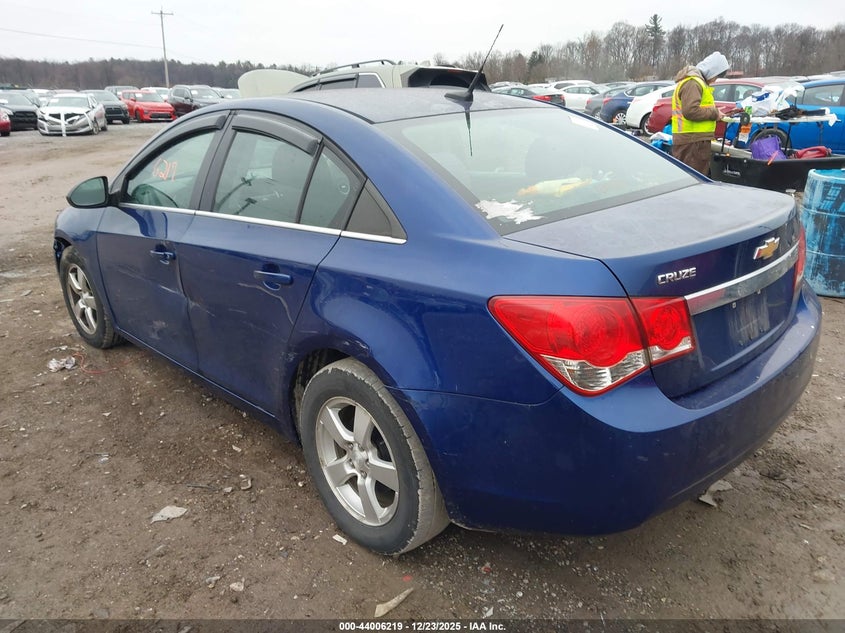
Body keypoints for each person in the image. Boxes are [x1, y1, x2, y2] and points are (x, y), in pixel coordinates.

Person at [671, 51, 737, 175]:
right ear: (711, 71)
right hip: (692, 142)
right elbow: (690, 111)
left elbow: (696, 109)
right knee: (694, 179)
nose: (715, 80)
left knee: (691, 178)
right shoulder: (693, 83)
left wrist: (717, 114)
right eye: (716, 76)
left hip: (693, 141)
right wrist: (714, 113)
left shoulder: (696, 82)